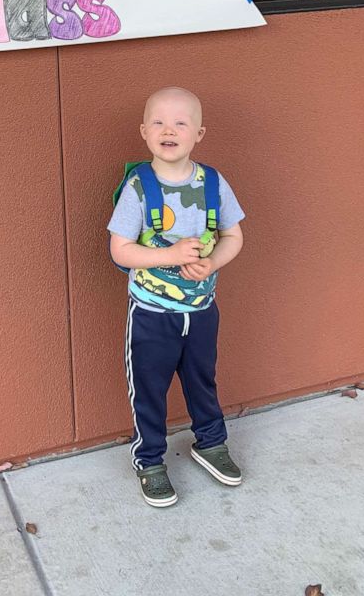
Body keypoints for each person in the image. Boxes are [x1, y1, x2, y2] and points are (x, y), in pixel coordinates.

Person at [108, 86, 245, 508]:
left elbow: (233, 235)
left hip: (202, 310)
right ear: (144, 132)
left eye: (181, 122)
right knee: (149, 389)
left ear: (199, 133)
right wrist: (168, 254)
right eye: (159, 122)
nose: (170, 130)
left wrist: (213, 263)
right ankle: (149, 460)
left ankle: (211, 442)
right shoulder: (139, 187)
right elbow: (120, 249)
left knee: (202, 380)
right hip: (153, 314)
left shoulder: (213, 182)